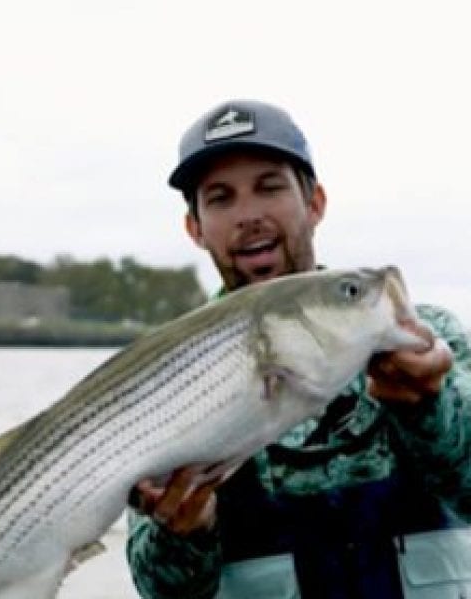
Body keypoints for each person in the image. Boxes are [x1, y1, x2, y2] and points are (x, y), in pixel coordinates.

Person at [125, 99, 471, 598]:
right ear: (195, 228)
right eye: (220, 198)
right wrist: (185, 530)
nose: (248, 216)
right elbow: (160, 590)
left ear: (315, 202)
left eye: (269, 187)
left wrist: (429, 409)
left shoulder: (425, 336)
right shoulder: (168, 373)